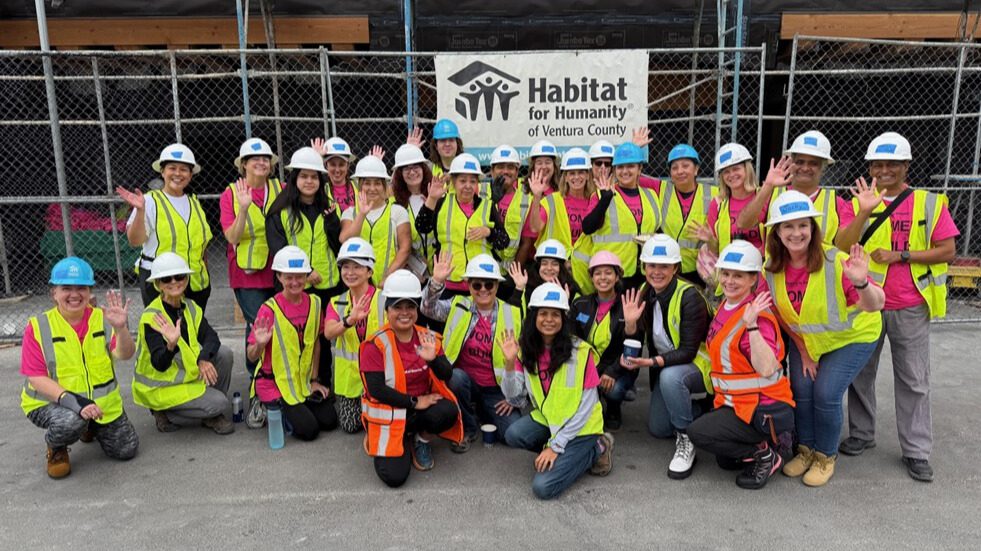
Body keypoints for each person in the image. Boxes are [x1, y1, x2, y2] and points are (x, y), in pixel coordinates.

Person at [835, 132, 958, 482]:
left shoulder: (929, 203)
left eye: (892, 164)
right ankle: (861, 433)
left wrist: (901, 255)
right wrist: (863, 211)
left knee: (914, 379)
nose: (884, 170)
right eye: (877, 164)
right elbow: (842, 244)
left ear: (906, 166)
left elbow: (947, 250)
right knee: (860, 373)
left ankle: (917, 451)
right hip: (866, 302)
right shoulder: (856, 201)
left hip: (909, 304)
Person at [762, 191, 884, 486]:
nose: (796, 233)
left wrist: (861, 282)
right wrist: (802, 349)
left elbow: (875, 303)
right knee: (801, 388)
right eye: (788, 227)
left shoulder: (834, 261)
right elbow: (783, 315)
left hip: (853, 337)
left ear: (813, 229)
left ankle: (825, 456)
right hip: (812, 342)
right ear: (777, 232)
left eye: (803, 225)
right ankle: (805, 450)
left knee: (826, 393)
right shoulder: (772, 267)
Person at [687, 241, 794, 490]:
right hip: (738, 404)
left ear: (753, 280)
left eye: (738, 276)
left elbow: (767, 368)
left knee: (698, 432)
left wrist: (752, 326)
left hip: (764, 410)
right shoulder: (726, 304)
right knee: (725, 460)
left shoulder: (757, 316)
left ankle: (767, 455)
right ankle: (756, 449)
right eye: (726, 273)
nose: (729, 281)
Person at [20, 257, 139, 478]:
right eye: (66, 288)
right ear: (53, 293)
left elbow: (126, 354)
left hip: (101, 405)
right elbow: (36, 377)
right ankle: (56, 447)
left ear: (90, 292)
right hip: (51, 403)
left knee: (126, 450)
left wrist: (121, 330)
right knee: (70, 422)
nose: (75, 295)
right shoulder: (38, 327)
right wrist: (76, 403)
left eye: (81, 288)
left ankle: (90, 426)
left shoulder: (103, 319)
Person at [499, 283, 616, 500]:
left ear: (564, 319)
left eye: (556, 314)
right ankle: (567, 455)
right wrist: (508, 363)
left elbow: (587, 405)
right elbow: (514, 396)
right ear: (533, 316)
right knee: (513, 435)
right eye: (543, 313)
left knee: (543, 488)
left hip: (582, 426)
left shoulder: (580, 351)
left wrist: (556, 446)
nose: (549, 319)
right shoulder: (525, 349)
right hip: (551, 419)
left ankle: (598, 447)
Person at [360, 270, 464, 487]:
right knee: (394, 477)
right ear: (387, 309)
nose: (404, 312)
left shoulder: (428, 337)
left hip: (417, 413)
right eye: (397, 306)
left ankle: (419, 439)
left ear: (417, 309)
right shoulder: (375, 344)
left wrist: (434, 359)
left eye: (410, 306)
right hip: (390, 413)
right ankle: (389, 436)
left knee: (448, 411)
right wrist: (415, 402)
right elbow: (376, 390)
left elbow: (447, 374)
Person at [623, 235, 711, 479]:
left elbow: (688, 351)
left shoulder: (690, 296)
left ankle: (686, 438)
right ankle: (703, 412)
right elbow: (638, 336)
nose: (657, 272)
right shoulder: (646, 292)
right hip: (667, 367)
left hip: (698, 365)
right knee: (659, 428)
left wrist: (651, 363)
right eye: (651, 265)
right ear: (644, 267)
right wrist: (630, 326)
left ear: (676, 268)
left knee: (671, 377)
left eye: (664, 266)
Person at [421, 253, 523, 451]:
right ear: (468, 286)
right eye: (477, 285)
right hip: (463, 382)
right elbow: (427, 309)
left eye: (489, 284)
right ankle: (468, 428)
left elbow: (523, 358)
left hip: (496, 389)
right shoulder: (459, 304)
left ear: (497, 286)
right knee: (456, 377)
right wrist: (436, 282)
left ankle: (483, 411)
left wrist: (515, 397)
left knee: (511, 433)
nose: (483, 289)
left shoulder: (512, 313)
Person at [132, 253, 235, 435]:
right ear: (158, 284)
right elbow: (159, 363)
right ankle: (163, 411)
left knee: (224, 354)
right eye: (166, 279)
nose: (174, 282)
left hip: (186, 378)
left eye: (179, 276)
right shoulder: (152, 317)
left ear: (186, 279)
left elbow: (212, 338)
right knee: (220, 403)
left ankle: (210, 414)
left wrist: (203, 359)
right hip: (160, 388)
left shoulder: (190, 306)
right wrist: (170, 346)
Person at [246, 246, 338, 441]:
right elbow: (251, 355)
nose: (295, 282)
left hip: (302, 383)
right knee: (310, 431)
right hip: (275, 384)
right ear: (279, 277)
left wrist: (314, 381)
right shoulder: (268, 309)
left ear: (306, 276)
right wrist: (260, 344)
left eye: (299, 276)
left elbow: (316, 345)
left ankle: (296, 407)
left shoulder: (314, 303)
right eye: (288, 277)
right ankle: (267, 405)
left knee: (330, 421)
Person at [118, 143, 213, 310]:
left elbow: (201, 245)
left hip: (195, 281)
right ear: (162, 172)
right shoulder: (149, 201)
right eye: (172, 168)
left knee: (192, 330)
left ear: (191, 174)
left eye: (184, 169)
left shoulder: (194, 202)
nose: (177, 173)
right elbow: (134, 240)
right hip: (162, 282)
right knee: (164, 332)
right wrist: (140, 211)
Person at [220, 138, 281, 377]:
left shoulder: (279, 189)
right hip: (248, 274)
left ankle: (273, 374)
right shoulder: (231, 194)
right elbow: (232, 237)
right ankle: (258, 379)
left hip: (277, 271)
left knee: (275, 323)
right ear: (243, 164)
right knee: (259, 324)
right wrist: (243, 209)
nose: (261, 162)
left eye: (265, 158)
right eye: (255, 158)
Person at [415, 153, 510, 298]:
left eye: (473, 181)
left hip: (481, 284)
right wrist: (432, 199)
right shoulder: (441, 203)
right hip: (449, 280)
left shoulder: (487, 206)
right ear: (453, 181)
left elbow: (504, 241)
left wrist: (488, 232)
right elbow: (422, 227)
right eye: (462, 181)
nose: (468, 186)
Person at [737, 131, 854, 247]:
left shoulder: (837, 203)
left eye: (813, 163)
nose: (805, 168)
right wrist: (767, 186)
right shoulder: (771, 195)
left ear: (823, 167)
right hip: (778, 266)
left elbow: (845, 246)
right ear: (791, 162)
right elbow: (743, 224)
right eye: (800, 162)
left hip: (819, 266)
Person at [323, 238, 388, 433]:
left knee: (378, 423)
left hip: (379, 377)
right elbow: (328, 333)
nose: (350, 273)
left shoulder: (384, 299)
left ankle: (372, 408)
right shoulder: (337, 302)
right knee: (350, 426)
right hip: (350, 380)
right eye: (346, 267)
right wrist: (349, 320)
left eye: (357, 267)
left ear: (369, 271)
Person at [569, 251, 635, 431]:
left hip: (616, 367)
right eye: (598, 273)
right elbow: (572, 339)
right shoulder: (580, 304)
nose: (603, 278)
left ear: (617, 276)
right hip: (586, 364)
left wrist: (612, 371)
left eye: (608, 273)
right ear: (591, 277)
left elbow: (631, 349)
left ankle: (613, 408)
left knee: (613, 390)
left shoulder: (627, 307)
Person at [265, 147, 342, 299]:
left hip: (329, 284)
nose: (309, 181)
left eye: (314, 177)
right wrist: (307, 271)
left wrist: (333, 222)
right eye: (304, 176)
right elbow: (278, 249)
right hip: (295, 286)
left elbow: (338, 244)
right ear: (295, 179)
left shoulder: (331, 207)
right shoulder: (280, 211)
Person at [582, 142, 661, 289]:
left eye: (630, 166)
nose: (625, 171)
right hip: (613, 274)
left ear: (640, 169)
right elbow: (587, 227)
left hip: (646, 271)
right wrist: (605, 199)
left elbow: (657, 228)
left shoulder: (651, 195)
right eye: (620, 167)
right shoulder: (601, 195)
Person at [531, 147, 600, 294]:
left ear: (588, 175)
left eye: (581, 172)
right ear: (565, 177)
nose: (576, 177)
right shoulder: (552, 200)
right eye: (572, 173)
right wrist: (537, 196)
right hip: (556, 271)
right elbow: (535, 227)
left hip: (586, 272)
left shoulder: (595, 200)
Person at [340, 154, 411, 285]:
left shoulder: (397, 212)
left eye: (377, 183)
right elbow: (344, 239)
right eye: (367, 183)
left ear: (384, 185)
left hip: (389, 283)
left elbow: (405, 249)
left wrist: (388, 277)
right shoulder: (350, 213)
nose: (372, 188)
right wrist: (361, 214)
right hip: (358, 284)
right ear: (359, 185)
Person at [657, 144, 717, 287]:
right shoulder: (661, 190)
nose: (680, 171)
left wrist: (710, 239)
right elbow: (632, 175)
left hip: (699, 269)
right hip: (667, 266)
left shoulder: (715, 194)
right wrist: (636, 147)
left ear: (696, 169)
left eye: (685, 166)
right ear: (670, 173)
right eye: (675, 167)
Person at [391, 143, 434, 279]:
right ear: (400, 174)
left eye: (416, 167)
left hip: (438, 269)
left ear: (423, 169)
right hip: (409, 272)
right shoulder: (395, 204)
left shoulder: (436, 197)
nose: (412, 172)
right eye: (406, 169)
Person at [491, 144, 539, 268]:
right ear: (492, 171)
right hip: (482, 267)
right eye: (500, 167)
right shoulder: (479, 192)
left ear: (517, 172)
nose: (505, 171)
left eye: (511, 167)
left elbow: (525, 243)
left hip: (509, 270)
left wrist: (514, 274)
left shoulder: (527, 200)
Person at [507, 239, 582, 308]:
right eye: (544, 263)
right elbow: (513, 318)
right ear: (538, 266)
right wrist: (518, 290)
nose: (549, 268)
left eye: (554, 264)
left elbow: (574, 321)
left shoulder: (572, 291)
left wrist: (565, 301)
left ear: (561, 268)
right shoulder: (526, 287)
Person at [311, 136, 359, 213]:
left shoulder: (358, 186)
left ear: (348, 165)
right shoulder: (319, 189)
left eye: (341, 165)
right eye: (333, 164)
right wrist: (316, 159)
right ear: (326, 165)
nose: (337, 170)